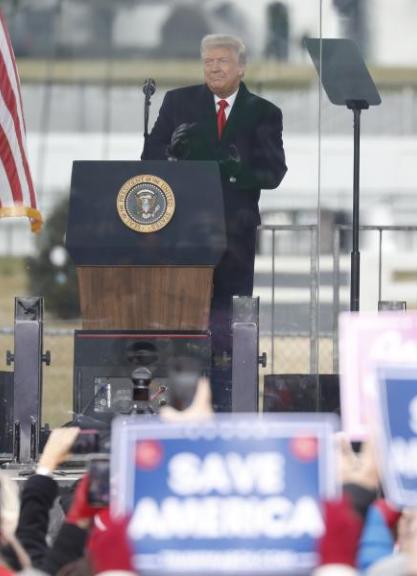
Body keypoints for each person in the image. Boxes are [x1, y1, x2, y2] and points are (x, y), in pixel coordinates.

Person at [142, 33, 287, 411]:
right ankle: (183, 401)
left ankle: (227, 400)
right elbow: (149, 158)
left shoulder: (264, 112)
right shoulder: (179, 102)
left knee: (229, 321)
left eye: (222, 61)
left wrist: (240, 171)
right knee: (186, 319)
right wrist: (171, 157)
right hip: (184, 234)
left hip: (235, 237)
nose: (213, 67)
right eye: (207, 61)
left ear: (241, 67)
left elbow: (273, 172)